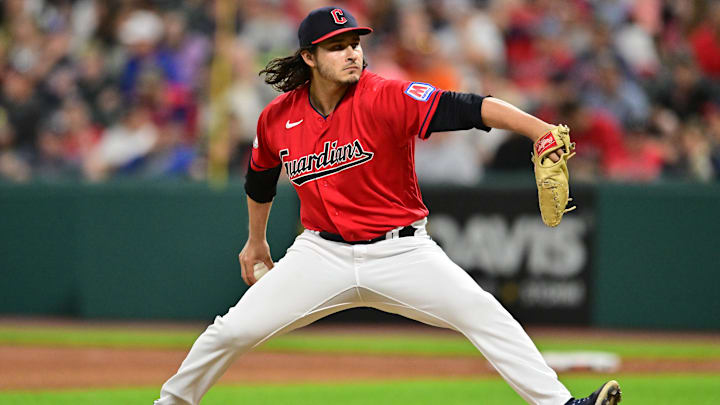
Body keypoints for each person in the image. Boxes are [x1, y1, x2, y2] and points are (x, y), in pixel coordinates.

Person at [155, 7, 621, 405]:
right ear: (309, 57)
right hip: (320, 254)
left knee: (484, 312)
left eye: (355, 42)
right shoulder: (277, 118)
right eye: (337, 45)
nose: (352, 51)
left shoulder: (387, 95)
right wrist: (255, 242)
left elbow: (469, 107)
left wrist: (538, 128)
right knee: (230, 331)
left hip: (401, 252)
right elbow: (259, 181)